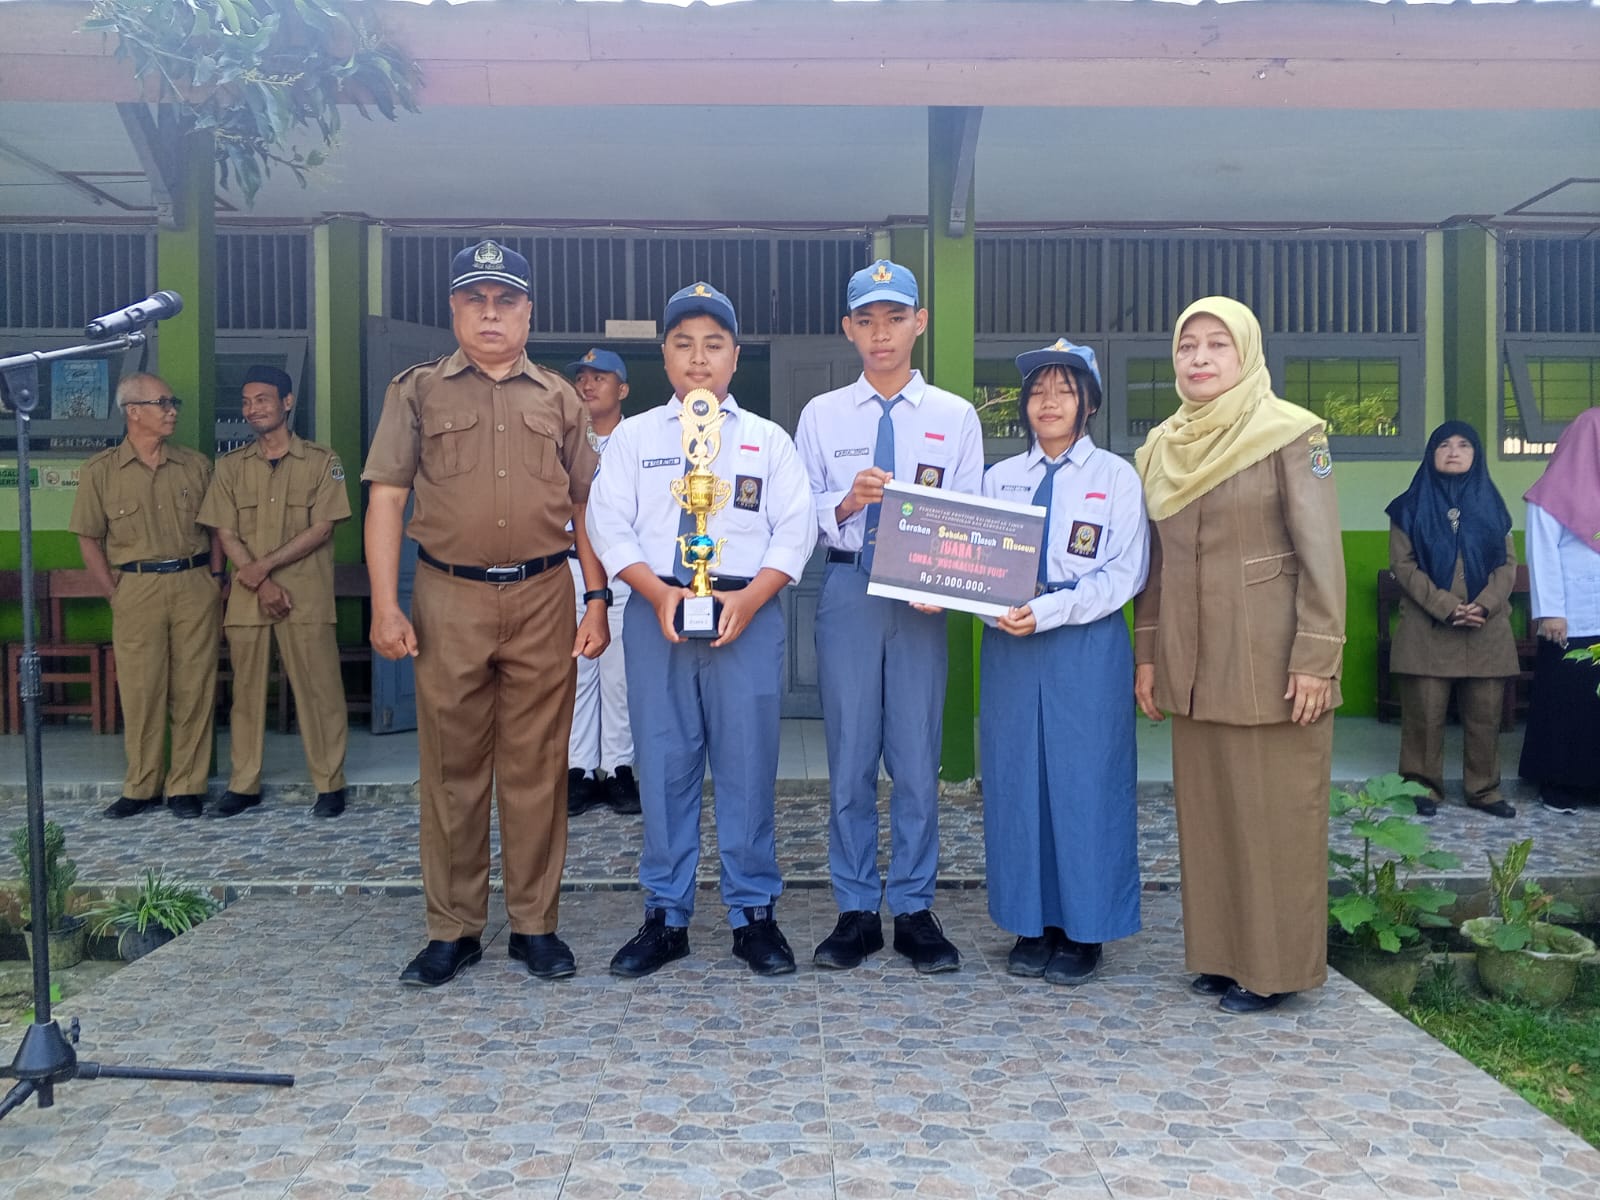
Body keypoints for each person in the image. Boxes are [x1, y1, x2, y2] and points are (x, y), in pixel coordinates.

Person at [362, 239, 607, 987]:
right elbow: (387, 499)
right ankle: (454, 928)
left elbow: (584, 506)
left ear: (529, 311)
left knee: (537, 770)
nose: (491, 314)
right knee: (451, 771)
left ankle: (534, 925)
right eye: (477, 300)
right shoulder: (418, 391)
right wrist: (384, 604)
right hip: (450, 597)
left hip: (541, 595)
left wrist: (595, 598)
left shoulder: (561, 399)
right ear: (455, 310)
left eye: (506, 301)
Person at [586, 281, 815, 978]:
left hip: (745, 616)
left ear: (735, 357)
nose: (698, 358)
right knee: (662, 765)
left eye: (713, 344)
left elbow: (795, 526)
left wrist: (752, 600)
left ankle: (753, 914)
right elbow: (607, 522)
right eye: (683, 344)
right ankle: (665, 914)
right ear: (664, 354)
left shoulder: (765, 440)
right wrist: (654, 592)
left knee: (747, 767)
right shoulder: (633, 438)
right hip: (658, 616)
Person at [1132, 296, 1346, 1015]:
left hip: (1271, 658)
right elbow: (1157, 565)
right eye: (1187, 345)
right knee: (1210, 811)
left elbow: (1323, 554)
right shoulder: (1165, 446)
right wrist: (1149, 653)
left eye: (1216, 345)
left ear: (1246, 353)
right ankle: (1222, 956)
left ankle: (1275, 968)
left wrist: (1318, 656)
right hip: (1194, 657)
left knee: (1274, 813)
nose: (1198, 358)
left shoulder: (1290, 433)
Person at [793, 259, 983, 974]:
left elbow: (967, 518)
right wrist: (846, 503)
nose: (881, 333)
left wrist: (947, 579)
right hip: (847, 592)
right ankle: (852, 909)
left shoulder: (954, 417)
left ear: (920, 322)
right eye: (866, 320)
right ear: (849, 329)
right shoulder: (821, 416)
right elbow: (798, 516)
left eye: (895, 318)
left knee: (914, 756)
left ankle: (912, 906)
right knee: (848, 759)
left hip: (921, 602)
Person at [979, 340, 1149, 986]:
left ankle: (1085, 931)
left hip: (1086, 642)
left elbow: (1123, 575)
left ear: (1089, 403)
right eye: (1038, 391)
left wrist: (1048, 612)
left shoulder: (1115, 478)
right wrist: (987, 607)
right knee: (1019, 778)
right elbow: (974, 560)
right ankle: (1031, 921)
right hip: (1010, 644)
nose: (1048, 402)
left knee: (1086, 782)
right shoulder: (1001, 479)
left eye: (1065, 390)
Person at [198, 366, 353, 820]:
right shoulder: (229, 467)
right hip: (250, 597)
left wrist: (261, 568)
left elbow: (322, 528)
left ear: (287, 402)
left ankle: (329, 783)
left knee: (319, 689)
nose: (253, 409)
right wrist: (260, 580)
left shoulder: (323, 462)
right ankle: (243, 785)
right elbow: (225, 532)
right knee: (245, 694)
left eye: (263, 399)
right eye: (246, 401)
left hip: (305, 594)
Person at [69, 372, 223, 820]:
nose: (172, 410)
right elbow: (88, 539)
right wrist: (114, 593)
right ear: (133, 411)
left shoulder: (195, 465)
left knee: (194, 688)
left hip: (194, 583)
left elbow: (216, 528)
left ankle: (186, 787)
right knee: (140, 690)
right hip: (135, 588)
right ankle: (140, 786)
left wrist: (216, 577)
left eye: (173, 402)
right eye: (163, 402)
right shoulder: (100, 471)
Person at [1385, 421, 1518, 819]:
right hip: (1428, 628)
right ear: (1432, 453)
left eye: (1464, 445)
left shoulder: (1494, 505)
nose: (1454, 451)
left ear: (1476, 454)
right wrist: (1445, 605)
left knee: (1485, 715)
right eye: (1444, 445)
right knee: (1424, 716)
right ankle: (1421, 786)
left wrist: (1485, 604)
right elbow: (1403, 566)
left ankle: (1484, 790)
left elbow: (1507, 565)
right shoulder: (1407, 507)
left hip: (1486, 626)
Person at [563, 348, 639, 818]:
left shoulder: (638, 439)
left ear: (622, 389)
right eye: (583, 377)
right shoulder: (563, 437)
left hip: (624, 569)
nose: (589, 385)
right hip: (569, 567)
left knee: (619, 675)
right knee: (576, 673)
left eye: (601, 378)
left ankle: (619, 768)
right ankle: (578, 769)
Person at [1519, 406, 1600, 812]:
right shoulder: (1549, 495)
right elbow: (1542, 555)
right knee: (1570, 706)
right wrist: (1551, 611)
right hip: (1571, 618)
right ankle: (1561, 786)